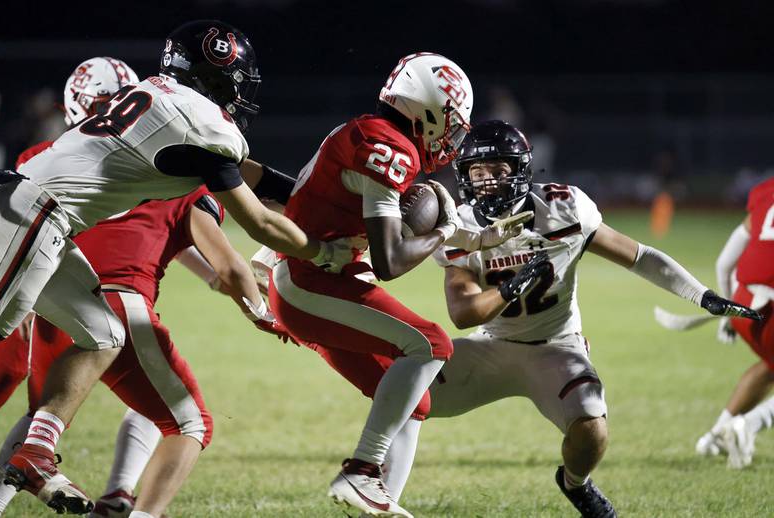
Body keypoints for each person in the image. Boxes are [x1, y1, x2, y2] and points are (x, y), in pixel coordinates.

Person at [0, 20, 343, 515]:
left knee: (105, 333)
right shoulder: (207, 125)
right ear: (221, 72)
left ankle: (37, 452)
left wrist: (309, 193)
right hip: (31, 217)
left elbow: (243, 172)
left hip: (45, 222)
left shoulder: (158, 96)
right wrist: (323, 252)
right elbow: (258, 224)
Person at [309, 121, 760, 518]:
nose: (486, 183)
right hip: (490, 347)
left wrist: (701, 295)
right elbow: (462, 313)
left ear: (521, 171)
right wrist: (509, 288)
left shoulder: (565, 210)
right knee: (409, 391)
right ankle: (377, 493)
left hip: (557, 348)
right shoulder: (461, 225)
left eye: (498, 171)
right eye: (477, 173)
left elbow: (638, 256)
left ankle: (574, 484)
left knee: (592, 430)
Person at [266, 53, 533, 518]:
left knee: (416, 401)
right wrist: (447, 232)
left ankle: (379, 501)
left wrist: (480, 237)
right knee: (431, 344)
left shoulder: (371, 132)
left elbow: (372, 230)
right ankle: (362, 470)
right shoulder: (389, 148)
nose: (450, 134)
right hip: (311, 282)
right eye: (449, 120)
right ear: (427, 108)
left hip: (323, 278)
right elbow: (390, 260)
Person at [0, 56, 138, 430]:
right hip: (10, 240)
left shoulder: (128, 154)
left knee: (107, 335)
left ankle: (37, 455)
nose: (117, 115)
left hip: (45, 257)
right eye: (107, 105)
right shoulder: (57, 154)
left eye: (122, 105)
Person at [694, 176, 774, 469]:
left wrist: (728, 314)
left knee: (769, 368)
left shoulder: (767, 194)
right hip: (771, 310)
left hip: (744, 304)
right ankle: (747, 426)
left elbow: (725, 263)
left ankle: (714, 438)